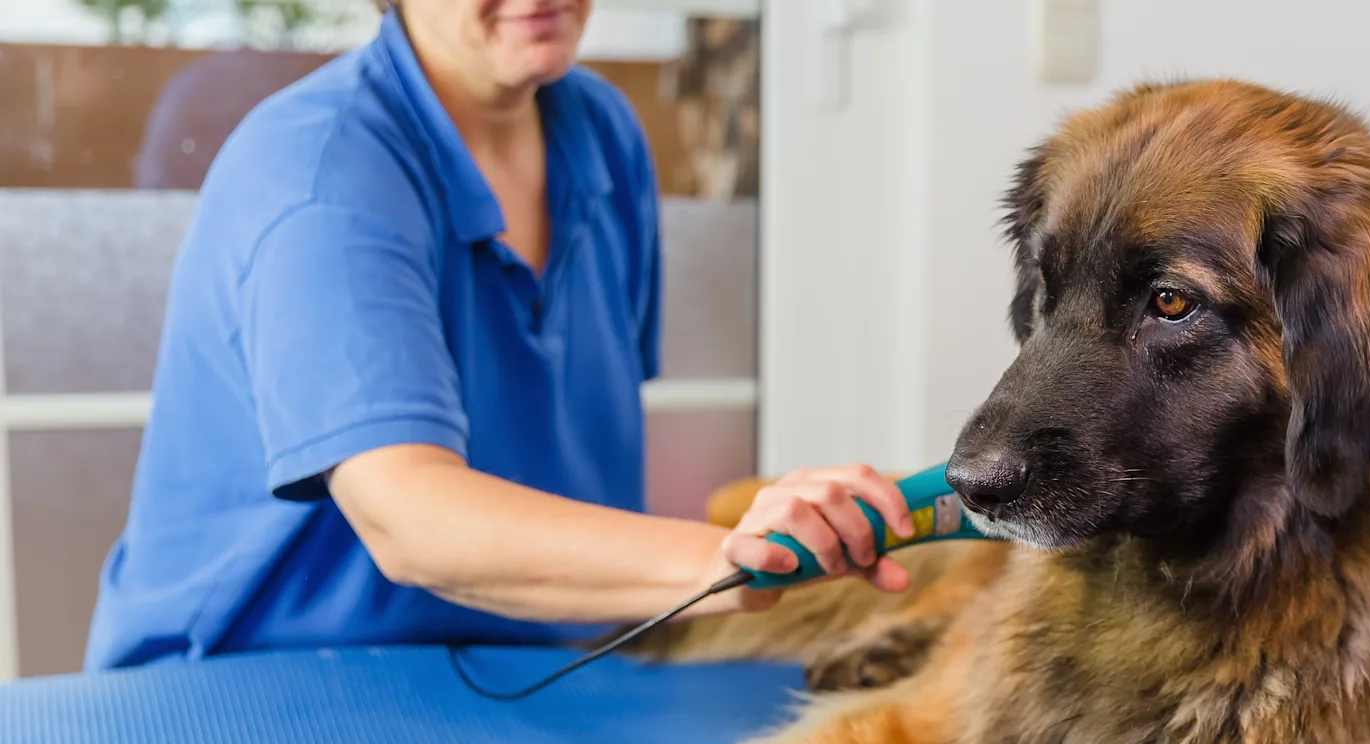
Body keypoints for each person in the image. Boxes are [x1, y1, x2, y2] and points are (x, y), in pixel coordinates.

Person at [84, 0, 910, 670]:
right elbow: (409, 522)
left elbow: (573, 446)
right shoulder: (320, 176)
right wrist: (728, 555)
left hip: (528, 668)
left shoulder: (602, 134)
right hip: (252, 685)